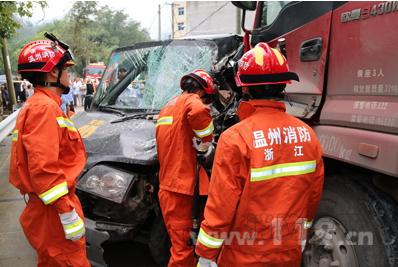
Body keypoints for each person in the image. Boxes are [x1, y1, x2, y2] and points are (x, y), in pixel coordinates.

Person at [195, 43, 325, 267]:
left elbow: (221, 206)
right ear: (284, 84)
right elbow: (312, 195)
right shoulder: (306, 134)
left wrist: (206, 254)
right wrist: (301, 236)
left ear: (244, 88)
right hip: (288, 250)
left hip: (244, 254)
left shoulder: (235, 138)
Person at [9, 33, 90, 267]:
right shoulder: (44, 108)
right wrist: (66, 213)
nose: (69, 75)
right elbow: (43, 167)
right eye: (65, 69)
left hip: (49, 208)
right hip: (54, 210)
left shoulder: (39, 105)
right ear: (53, 72)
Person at [156, 69, 215, 267]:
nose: (206, 104)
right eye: (207, 100)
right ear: (202, 92)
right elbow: (198, 112)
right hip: (181, 188)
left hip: (170, 185)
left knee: (184, 244)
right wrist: (206, 143)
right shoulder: (192, 101)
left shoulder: (168, 106)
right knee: (184, 249)